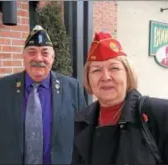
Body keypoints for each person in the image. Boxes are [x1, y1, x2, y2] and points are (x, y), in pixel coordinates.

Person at [0, 25, 86, 165]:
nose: (38, 58)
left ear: (52, 57)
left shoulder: (73, 88)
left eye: (44, 53)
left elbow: (83, 139)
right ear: (23, 56)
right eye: (32, 52)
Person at [71, 32, 168, 165]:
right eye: (96, 70)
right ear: (88, 78)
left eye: (114, 68)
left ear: (128, 74)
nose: (105, 77)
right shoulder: (82, 121)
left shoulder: (159, 113)